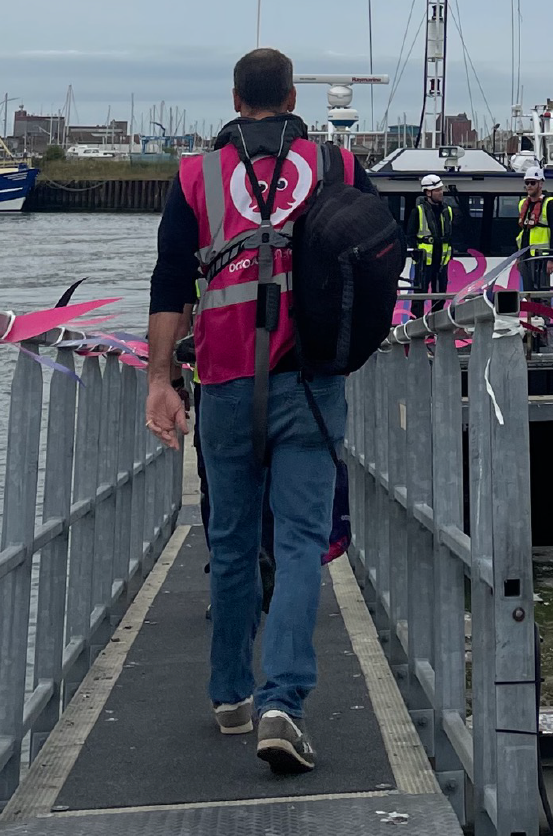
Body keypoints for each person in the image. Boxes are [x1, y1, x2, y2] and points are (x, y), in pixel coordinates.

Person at [145, 47, 376, 776]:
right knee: (303, 539)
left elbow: (167, 283)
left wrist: (159, 379)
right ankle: (285, 703)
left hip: (221, 381)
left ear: (236, 97)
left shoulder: (196, 176)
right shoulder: (335, 166)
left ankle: (229, 696)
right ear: (293, 95)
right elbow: (371, 260)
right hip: (308, 380)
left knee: (232, 536)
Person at [410, 173, 454, 317]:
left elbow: (450, 234)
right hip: (424, 261)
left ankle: (437, 326)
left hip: (441, 260)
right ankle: (416, 324)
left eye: (441, 189)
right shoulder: (418, 211)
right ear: (428, 193)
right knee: (419, 294)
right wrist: (416, 254)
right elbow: (410, 236)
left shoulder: (447, 210)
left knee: (440, 294)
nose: (441, 192)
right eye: (437, 190)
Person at [516, 167, 553, 291]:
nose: (529, 186)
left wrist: (552, 259)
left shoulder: (549, 203)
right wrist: (518, 257)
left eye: (532, 182)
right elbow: (522, 232)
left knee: (542, 293)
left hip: (541, 257)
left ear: (540, 183)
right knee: (528, 292)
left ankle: (542, 310)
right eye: (527, 182)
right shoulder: (523, 204)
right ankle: (530, 311)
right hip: (525, 256)